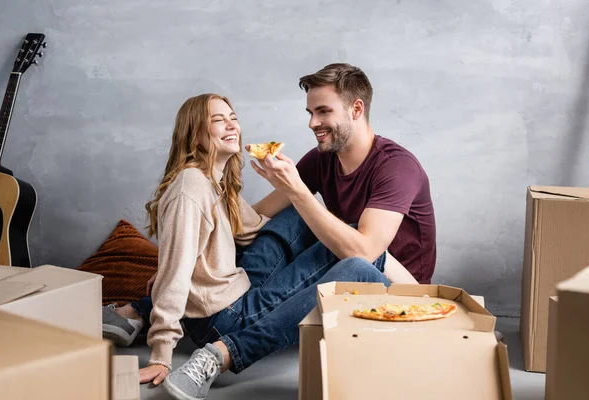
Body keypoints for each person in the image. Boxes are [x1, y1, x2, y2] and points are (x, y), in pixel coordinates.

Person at [103, 93, 391, 400]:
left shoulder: (215, 179)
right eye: (217, 120)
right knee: (361, 270)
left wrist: (290, 191)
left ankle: (134, 311)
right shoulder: (191, 188)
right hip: (222, 320)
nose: (231, 125)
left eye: (233, 118)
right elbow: (176, 272)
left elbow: (248, 230)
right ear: (195, 135)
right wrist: (161, 353)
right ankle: (217, 354)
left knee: (304, 217)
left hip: (231, 291)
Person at [249, 63, 437, 285]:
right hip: (344, 264)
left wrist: (298, 192)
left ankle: (241, 312)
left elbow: (365, 254)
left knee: (305, 209)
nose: (312, 123)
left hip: (396, 286)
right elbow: (260, 214)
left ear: (356, 109)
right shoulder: (322, 158)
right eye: (311, 113)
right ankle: (239, 297)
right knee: (290, 217)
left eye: (324, 111)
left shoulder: (397, 167)